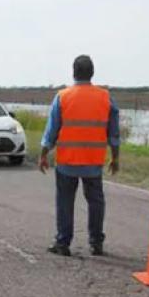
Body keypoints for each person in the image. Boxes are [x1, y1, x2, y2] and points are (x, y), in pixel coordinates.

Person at [40, 55, 120, 257]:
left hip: (67, 161)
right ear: (92, 73)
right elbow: (114, 133)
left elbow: (51, 130)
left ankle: (63, 243)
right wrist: (115, 157)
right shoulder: (105, 97)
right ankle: (96, 243)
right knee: (96, 202)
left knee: (65, 203)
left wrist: (43, 154)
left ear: (73, 72)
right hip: (93, 162)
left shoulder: (63, 96)